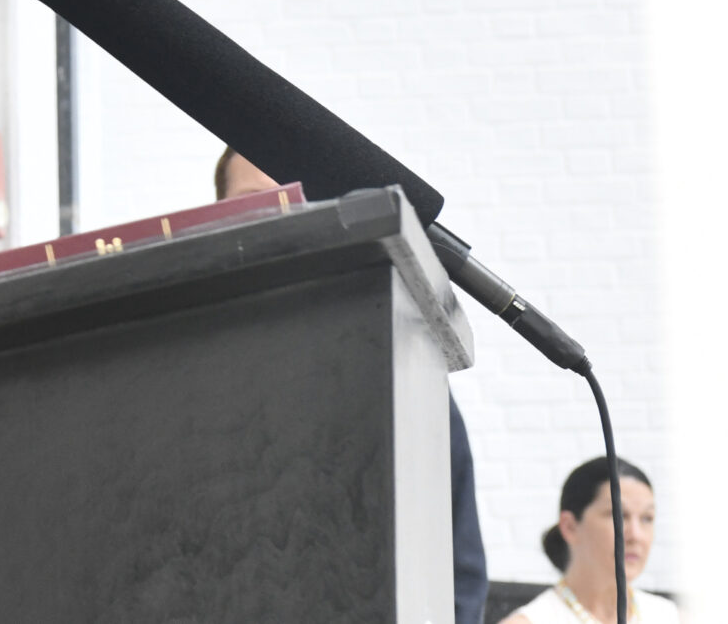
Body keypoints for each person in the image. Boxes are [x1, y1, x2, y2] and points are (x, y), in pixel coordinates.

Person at [218, 150, 490, 624]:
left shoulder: (389, 350)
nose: (274, 212)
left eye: (289, 197)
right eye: (252, 199)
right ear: (217, 213)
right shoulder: (188, 355)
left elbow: (456, 548)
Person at [501, 456, 675, 623]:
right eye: (618, 516)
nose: (636, 535)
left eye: (647, 518)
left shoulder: (671, 617)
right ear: (570, 527)